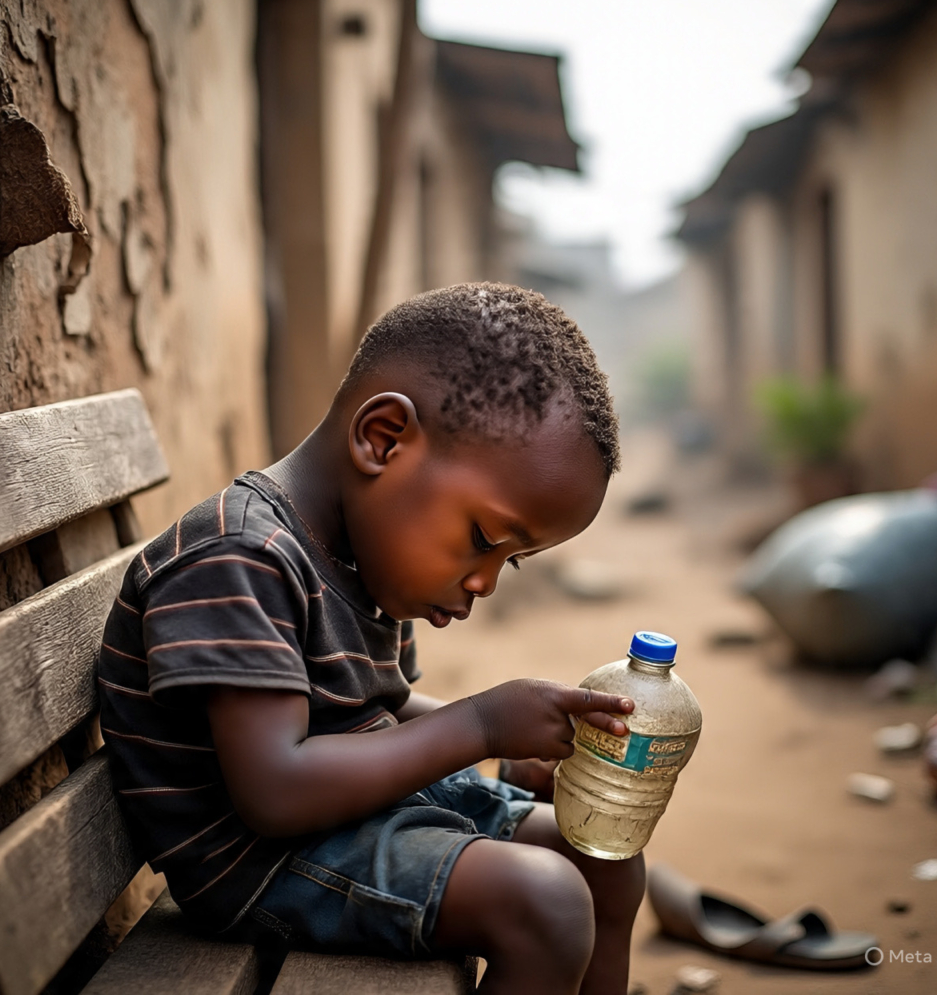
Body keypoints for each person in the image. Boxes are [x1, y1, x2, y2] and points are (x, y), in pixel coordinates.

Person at [98, 282, 645, 995]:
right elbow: (277, 792)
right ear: (383, 439)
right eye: (482, 539)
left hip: (351, 819)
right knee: (545, 900)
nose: (484, 583)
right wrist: (480, 725)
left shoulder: (361, 554)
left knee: (605, 857)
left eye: (507, 561)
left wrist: (510, 738)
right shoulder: (237, 559)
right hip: (265, 861)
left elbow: (377, 712)